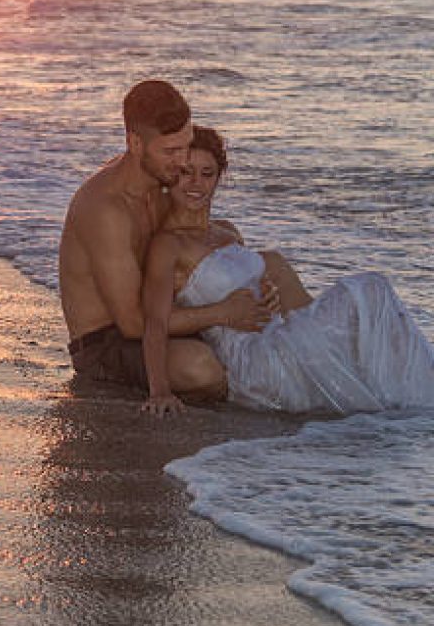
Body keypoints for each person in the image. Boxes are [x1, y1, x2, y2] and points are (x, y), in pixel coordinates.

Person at [142, 125, 434, 416]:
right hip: (254, 363)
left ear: (219, 179)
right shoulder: (168, 244)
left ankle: (413, 405)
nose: (196, 183)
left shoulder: (227, 231)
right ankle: (419, 404)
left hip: (281, 334)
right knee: (371, 290)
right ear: (170, 174)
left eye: (207, 174)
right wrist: (160, 391)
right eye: (186, 172)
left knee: (372, 307)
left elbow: (252, 287)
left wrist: (266, 292)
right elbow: (155, 322)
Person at [59, 80, 278, 401]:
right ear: (135, 144)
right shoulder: (107, 210)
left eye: (185, 145)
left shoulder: (162, 184)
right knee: (203, 368)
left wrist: (248, 281)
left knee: (270, 330)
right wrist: (224, 312)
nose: (182, 161)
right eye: (171, 151)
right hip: (108, 344)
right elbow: (133, 324)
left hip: (166, 317)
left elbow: (197, 238)